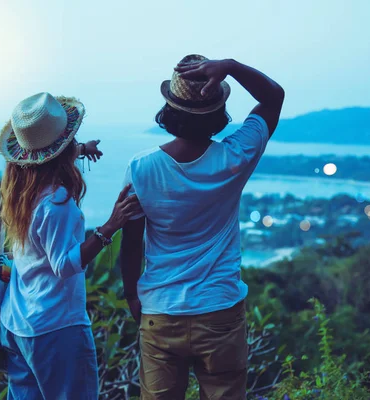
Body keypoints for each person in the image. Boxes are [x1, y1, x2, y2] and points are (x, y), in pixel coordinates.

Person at [120, 55, 285, 400]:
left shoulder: (141, 168)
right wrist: (232, 66)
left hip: (161, 311)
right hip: (219, 310)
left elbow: (131, 242)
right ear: (217, 114)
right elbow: (273, 97)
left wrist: (133, 296)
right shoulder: (235, 157)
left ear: (170, 109)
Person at [0, 92, 142, 400]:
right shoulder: (57, 203)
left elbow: (48, 159)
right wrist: (109, 228)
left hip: (18, 323)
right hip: (55, 328)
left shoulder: (22, 190)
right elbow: (63, 266)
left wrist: (80, 150)